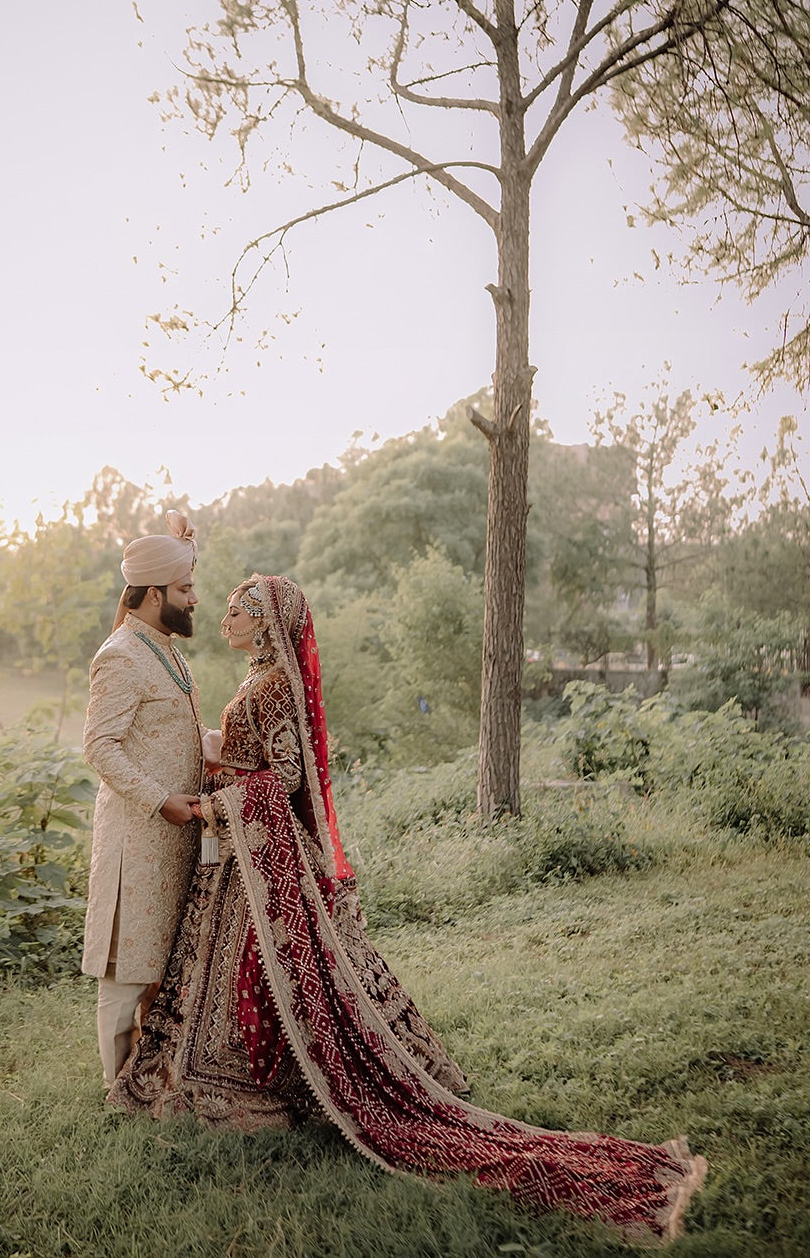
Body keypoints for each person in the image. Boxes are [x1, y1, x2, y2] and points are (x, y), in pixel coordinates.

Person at [109, 575, 707, 1246]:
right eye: (220, 608)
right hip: (244, 861)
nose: (222, 619)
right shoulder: (260, 677)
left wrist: (221, 799)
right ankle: (254, 1081)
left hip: (257, 849)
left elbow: (284, 780)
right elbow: (257, 757)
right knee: (250, 974)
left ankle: (266, 1089)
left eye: (235, 612)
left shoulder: (274, 685)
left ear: (265, 623)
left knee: (273, 974)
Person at [81, 511, 205, 1087]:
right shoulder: (121, 654)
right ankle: (115, 1086)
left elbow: (172, 734)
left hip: (175, 837)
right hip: (138, 837)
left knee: (164, 965)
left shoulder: (165, 648)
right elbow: (100, 748)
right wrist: (161, 800)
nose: (195, 599)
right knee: (126, 971)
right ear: (154, 594)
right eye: (184, 589)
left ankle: (154, 1081)